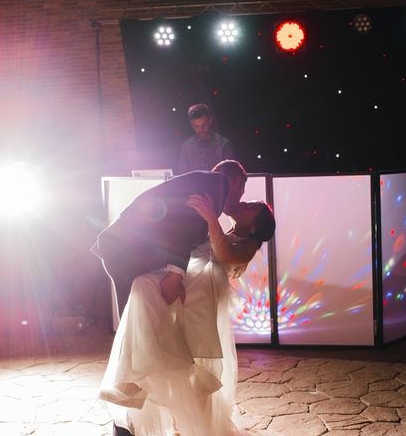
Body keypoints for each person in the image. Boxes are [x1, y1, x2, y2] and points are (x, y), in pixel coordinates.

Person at [98, 196, 275, 436]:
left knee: (194, 360)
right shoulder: (223, 228)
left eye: (253, 207)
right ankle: (136, 372)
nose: (245, 203)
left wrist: (211, 218)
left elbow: (224, 254)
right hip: (185, 273)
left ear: (254, 226)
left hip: (203, 289)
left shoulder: (249, 245)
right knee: (141, 286)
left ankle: (186, 417)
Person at [91, 160, 247, 316]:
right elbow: (184, 223)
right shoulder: (219, 182)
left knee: (132, 319)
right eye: (242, 190)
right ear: (235, 181)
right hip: (130, 251)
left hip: (122, 248)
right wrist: (176, 274)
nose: (241, 198)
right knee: (138, 319)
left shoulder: (201, 184)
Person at [176, 103, 235, 175]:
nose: (201, 130)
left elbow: (231, 175)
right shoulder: (187, 146)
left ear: (210, 121)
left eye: (204, 125)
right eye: (196, 127)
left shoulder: (224, 145)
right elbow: (181, 175)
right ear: (191, 125)